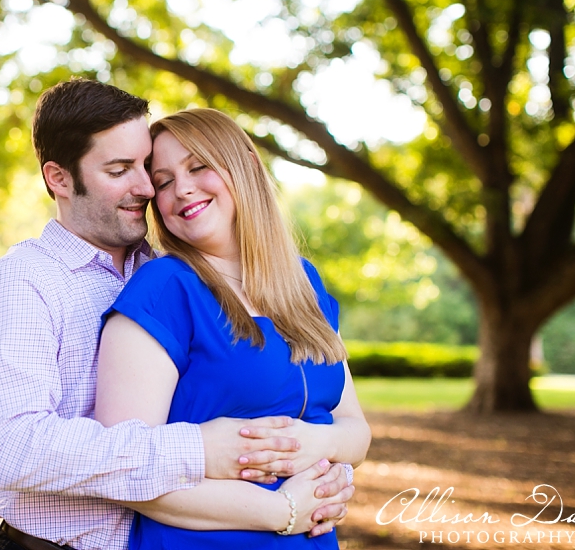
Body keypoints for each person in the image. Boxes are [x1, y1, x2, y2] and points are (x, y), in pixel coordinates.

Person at [0, 79, 355, 550]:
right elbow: (14, 449)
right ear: (59, 179)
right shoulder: (23, 283)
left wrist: (324, 469)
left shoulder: (165, 270)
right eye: (120, 170)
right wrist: (199, 450)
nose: (147, 187)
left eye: (146, 169)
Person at [96, 108, 371, 548]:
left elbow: (355, 430)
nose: (181, 189)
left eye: (198, 166)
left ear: (246, 163)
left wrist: (311, 442)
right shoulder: (164, 289)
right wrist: (284, 512)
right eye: (163, 181)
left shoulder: (304, 283)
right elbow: (125, 469)